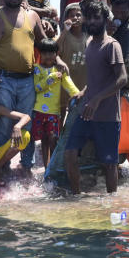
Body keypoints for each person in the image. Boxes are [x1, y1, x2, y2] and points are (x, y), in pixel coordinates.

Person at [0, 0, 58, 173]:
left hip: (28, 79)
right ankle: (1, 165)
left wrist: (58, 55)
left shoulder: (32, 16)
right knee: (4, 124)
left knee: (26, 123)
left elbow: (44, 43)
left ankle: (26, 165)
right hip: (2, 79)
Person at [66, 1, 127, 194]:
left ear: (105, 19)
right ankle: (76, 197)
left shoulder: (112, 45)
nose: (92, 21)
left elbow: (122, 78)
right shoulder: (89, 44)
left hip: (108, 116)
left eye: (96, 17)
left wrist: (97, 99)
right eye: (89, 17)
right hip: (87, 113)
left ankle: (112, 202)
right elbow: (95, 78)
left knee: (109, 164)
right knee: (70, 154)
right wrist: (83, 92)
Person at [32, 38, 79, 167]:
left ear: (56, 54)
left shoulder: (59, 70)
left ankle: (52, 167)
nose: (48, 56)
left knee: (53, 139)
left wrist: (78, 95)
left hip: (53, 112)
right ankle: (47, 168)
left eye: (51, 53)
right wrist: (51, 78)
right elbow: (37, 87)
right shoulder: (36, 69)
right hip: (38, 111)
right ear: (40, 54)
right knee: (44, 140)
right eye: (45, 53)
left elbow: (70, 86)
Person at [56, 2, 87, 111]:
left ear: (84, 18)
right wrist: (65, 30)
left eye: (78, 15)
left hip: (81, 82)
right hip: (65, 82)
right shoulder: (65, 35)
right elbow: (55, 52)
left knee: (76, 113)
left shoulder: (88, 37)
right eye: (72, 15)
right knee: (61, 110)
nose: (75, 18)